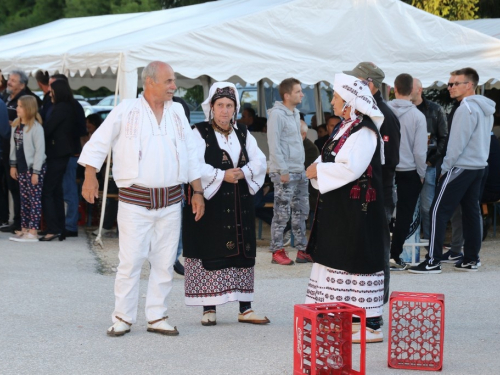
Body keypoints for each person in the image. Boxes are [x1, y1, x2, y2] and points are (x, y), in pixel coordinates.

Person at [79, 61, 204, 337]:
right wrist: (90, 175)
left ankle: (157, 315)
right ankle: (123, 316)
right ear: (150, 82)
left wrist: (198, 191)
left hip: (171, 201)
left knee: (164, 261)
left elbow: (192, 154)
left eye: (173, 81)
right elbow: (98, 142)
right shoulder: (127, 109)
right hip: (135, 202)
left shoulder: (178, 113)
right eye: (169, 81)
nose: (174, 86)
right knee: (131, 261)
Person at [305, 73, 386, 343]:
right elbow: (329, 155)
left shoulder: (364, 131)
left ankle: (369, 325)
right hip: (341, 209)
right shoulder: (345, 127)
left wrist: (318, 170)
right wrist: (317, 168)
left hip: (357, 212)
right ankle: (342, 318)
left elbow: (351, 167)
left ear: (350, 102)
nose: (332, 101)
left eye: (336, 97)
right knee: (337, 259)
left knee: (355, 261)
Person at [182, 82, 269, 326]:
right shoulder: (198, 132)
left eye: (229, 106)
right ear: (211, 107)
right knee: (211, 249)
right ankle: (208, 308)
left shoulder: (243, 132)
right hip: (211, 203)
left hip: (239, 203)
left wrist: (242, 172)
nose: (224, 111)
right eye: (220, 105)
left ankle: (245, 308)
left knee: (241, 251)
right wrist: (222, 175)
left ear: (235, 109)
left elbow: (260, 160)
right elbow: (192, 163)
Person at [408, 67, 495, 274]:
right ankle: (471, 259)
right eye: (449, 83)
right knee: (472, 212)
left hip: (461, 166)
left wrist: (445, 169)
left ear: (469, 85)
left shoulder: (466, 108)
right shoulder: (486, 108)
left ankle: (432, 261)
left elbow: (456, 144)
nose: (451, 87)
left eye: (456, 83)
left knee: (438, 210)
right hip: (479, 166)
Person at [343, 62, 400, 305]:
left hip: (379, 193)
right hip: (362, 193)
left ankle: (376, 303)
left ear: (369, 84)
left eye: (356, 81)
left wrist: (373, 186)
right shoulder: (363, 111)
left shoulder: (384, 115)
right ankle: (358, 301)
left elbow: (390, 160)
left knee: (378, 251)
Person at [267, 78, 309, 265]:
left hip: (299, 170)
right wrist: (282, 169)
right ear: (286, 95)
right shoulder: (277, 115)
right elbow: (274, 144)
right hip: (285, 171)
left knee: (301, 211)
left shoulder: (295, 113)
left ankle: (302, 250)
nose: (302, 94)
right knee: (282, 213)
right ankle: (277, 251)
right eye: (298, 91)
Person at [388, 74, 427, 269]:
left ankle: (379, 253)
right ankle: (395, 255)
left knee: (381, 212)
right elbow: (420, 151)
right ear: (412, 89)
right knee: (404, 215)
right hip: (409, 170)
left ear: (394, 88)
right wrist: (422, 173)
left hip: (386, 169)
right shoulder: (418, 116)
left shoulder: (382, 111)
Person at [1, 70, 42, 234]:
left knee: (25, 193)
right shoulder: (5, 97)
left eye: (13, 80)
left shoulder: (27, 100)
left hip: (25, 157)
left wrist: (11, 124)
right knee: (12, 188)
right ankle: (18, 222)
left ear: (22, 84)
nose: (9, 82)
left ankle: (27, 227)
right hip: (8, 150)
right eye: (9, 79)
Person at [411, 78, 448, 241]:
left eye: (409, 87)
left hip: (428, 164)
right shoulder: (402, 110)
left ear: (419, 90)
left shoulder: (435, 109)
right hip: (407, 165)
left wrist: (431, 160)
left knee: (427, 206)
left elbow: (444, 137)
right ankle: (409, 241)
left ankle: (429, 240)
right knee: (409, 206)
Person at [40, 80, 76, 241]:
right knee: (56, 192)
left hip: (57, 153)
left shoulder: (61, 108)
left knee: (48, 191)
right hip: (59, 153)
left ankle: (53, 228)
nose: (50, 93)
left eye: (52, 91)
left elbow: (49, 129)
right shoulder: (66, 107)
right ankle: (59, 228)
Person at [8, 96, 46, 242]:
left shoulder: (36, 128)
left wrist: (36, 172)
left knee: (34, 200)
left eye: (20, 106)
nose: (17, 109)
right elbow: (13, 147)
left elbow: (39, 151)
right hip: (22, 168)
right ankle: (24, 229)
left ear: (28, 109)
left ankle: (33, 231)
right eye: (17, 106)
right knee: (24, 200)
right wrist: (13, 165)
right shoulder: (16, 125)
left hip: (34, 169)